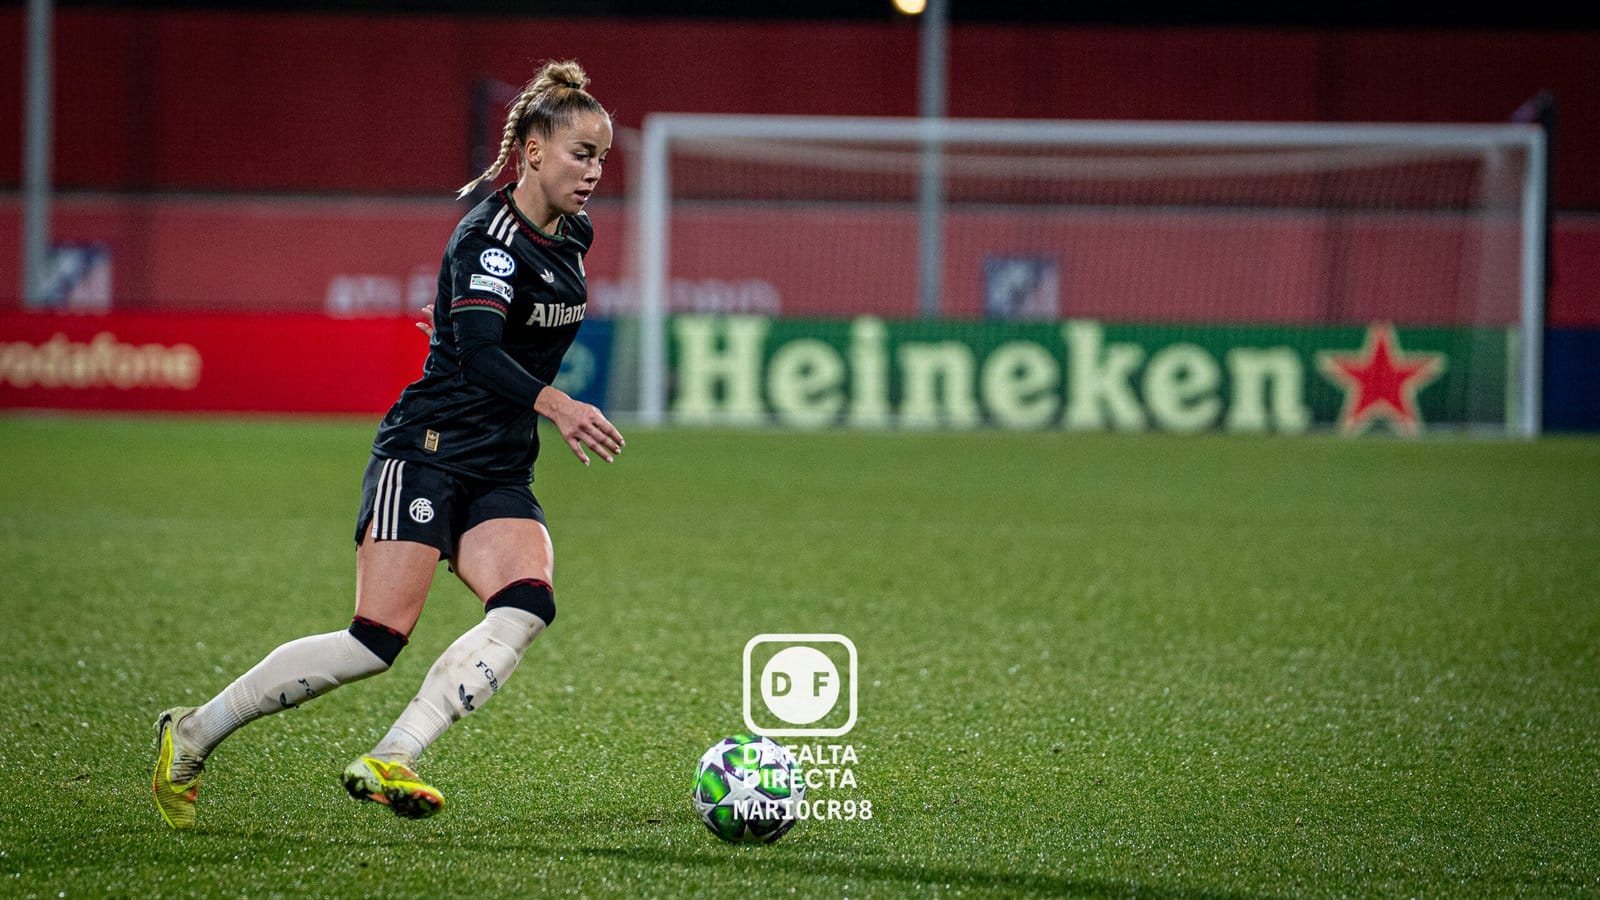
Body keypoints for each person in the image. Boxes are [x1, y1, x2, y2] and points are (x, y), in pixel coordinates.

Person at [151, 59, 624, 828]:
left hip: (499, 461)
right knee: (375, 639)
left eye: (603, 156)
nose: (595, 171)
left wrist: (489, 357)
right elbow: (476, 349)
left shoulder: (575, 234)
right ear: (533, 150)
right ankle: (194, 732)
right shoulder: (488, 238)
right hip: (428, 450)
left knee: (528, 602)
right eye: (582, 152)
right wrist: (555, 402)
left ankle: (392, 756)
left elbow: (484, 332)